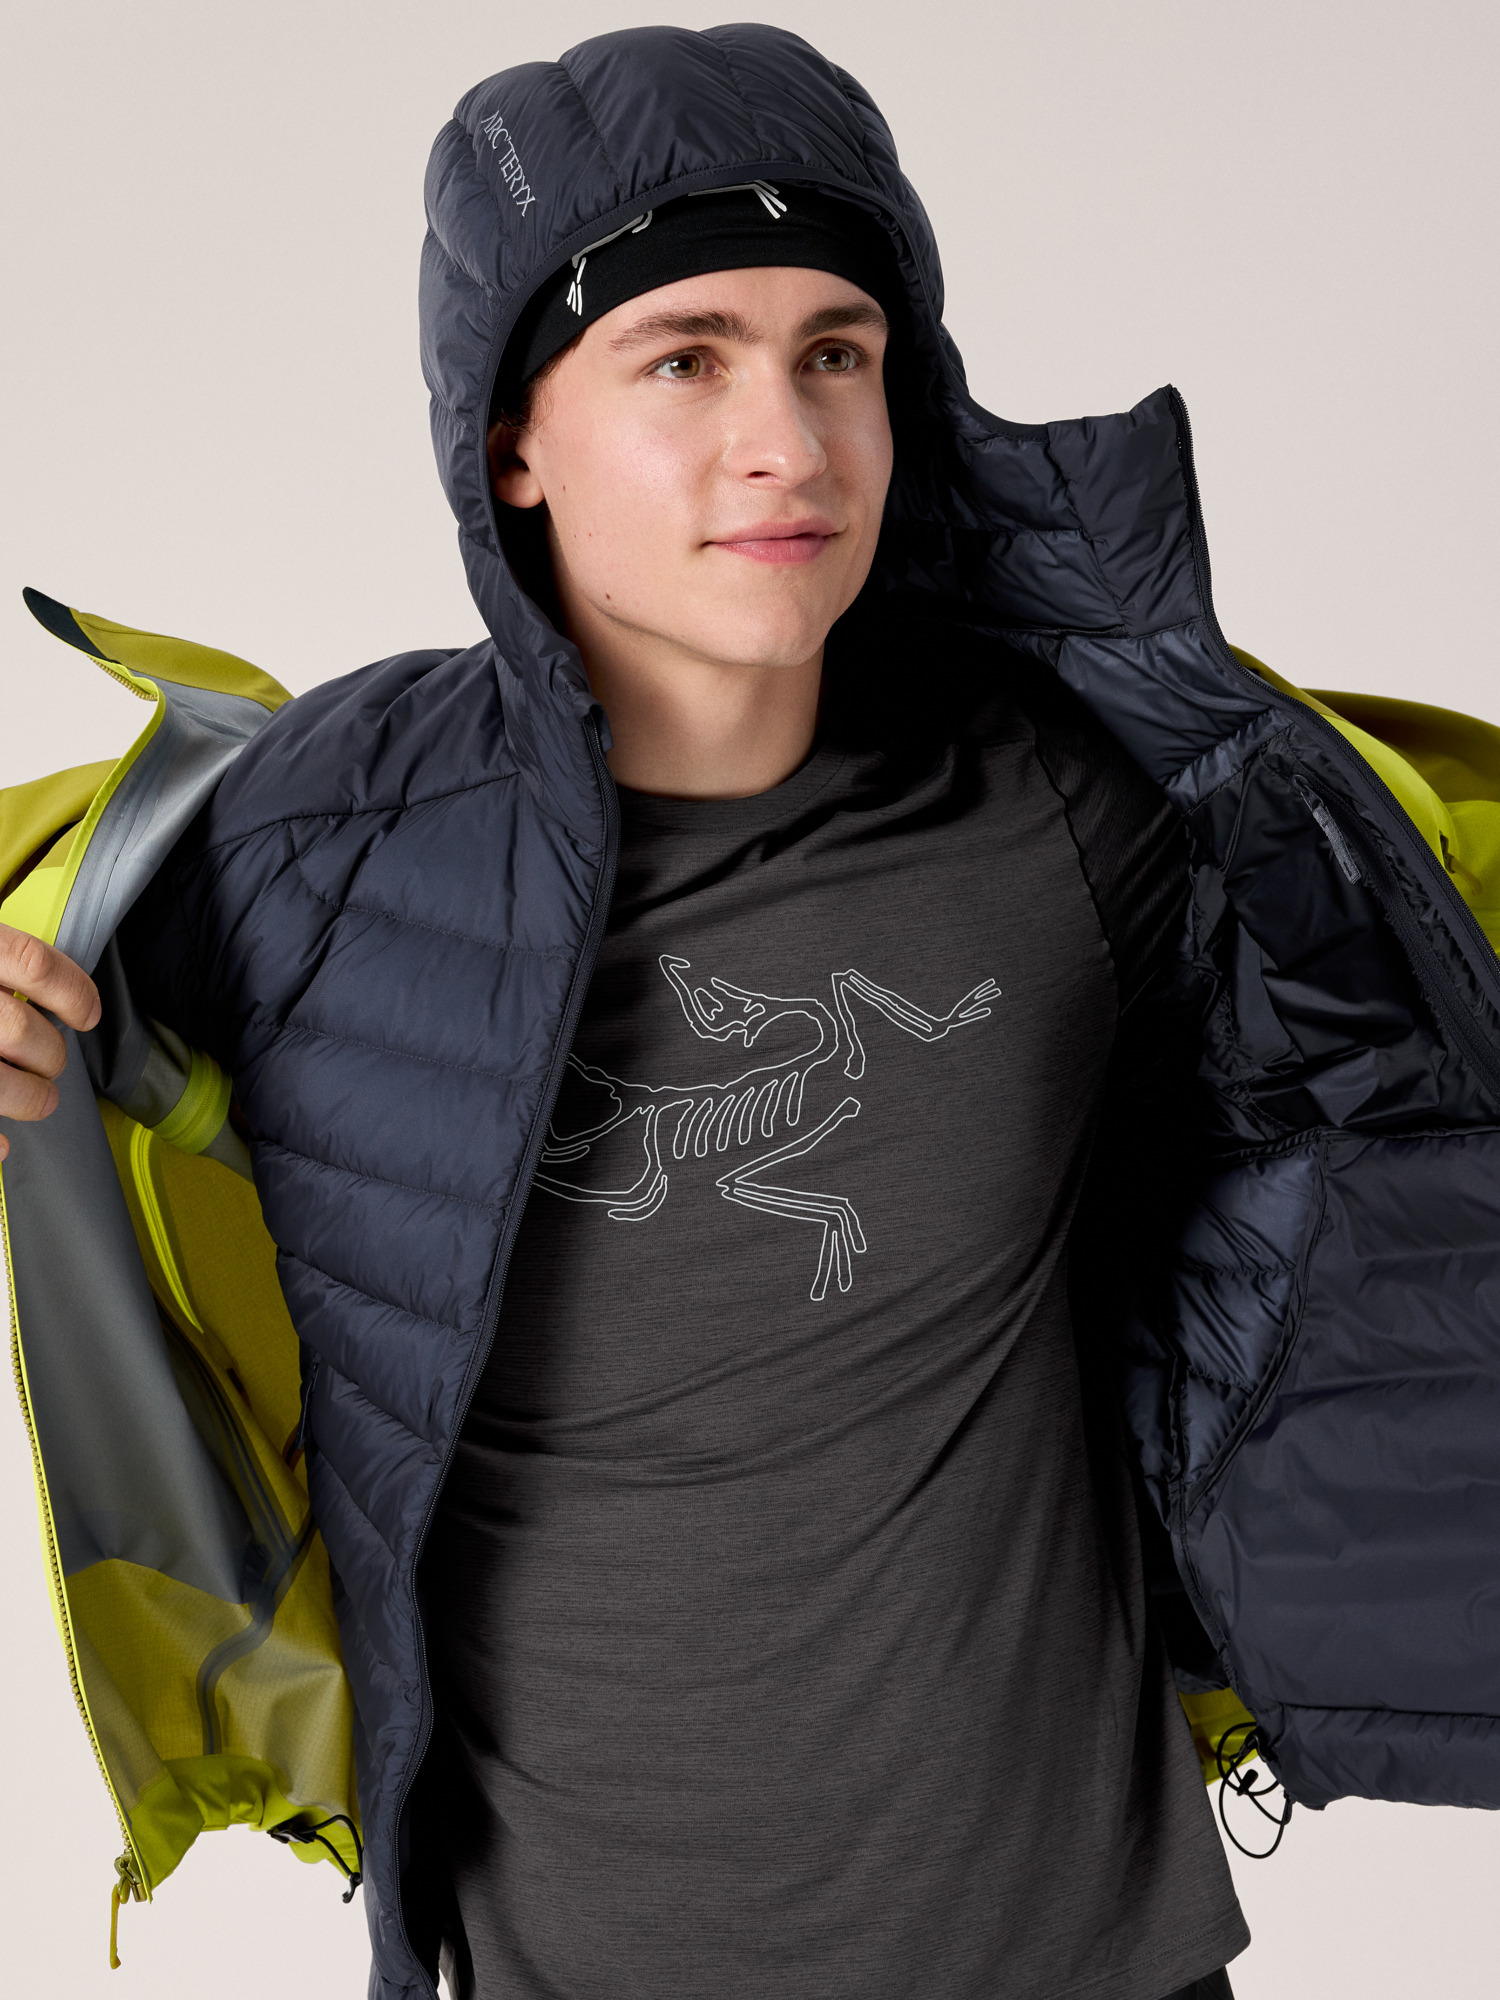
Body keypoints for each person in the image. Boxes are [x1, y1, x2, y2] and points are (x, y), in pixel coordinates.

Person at [5, 22, 1500, 2000]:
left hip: (1097, 1964)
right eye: (683, 358)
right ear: (514, 440)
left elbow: (1373, 1106)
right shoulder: (310, 844)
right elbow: (95, 1080)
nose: (786, 443)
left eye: (838, 353)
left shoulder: (1077, 800)